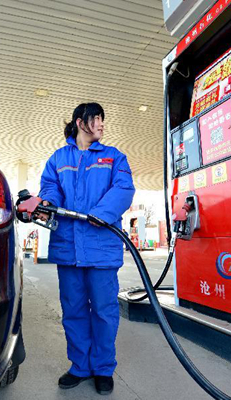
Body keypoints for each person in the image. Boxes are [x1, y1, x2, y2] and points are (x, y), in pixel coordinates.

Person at [37, 102, 135, 395]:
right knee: (74, 310)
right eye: (98, 120)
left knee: (104, 311)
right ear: (81, 123)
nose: (102, 125)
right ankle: (80, 366)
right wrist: (47, 204)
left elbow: (124, 188)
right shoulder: (59, 158)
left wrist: (100, 213)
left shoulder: (114, 157)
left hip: (101, 248)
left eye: (103, 120)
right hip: (68, 248)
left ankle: (103, 368)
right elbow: (50, 187)